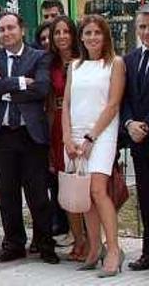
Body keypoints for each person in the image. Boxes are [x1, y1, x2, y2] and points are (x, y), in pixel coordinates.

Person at [0, 12, 59, 264]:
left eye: (10, 28)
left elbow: (42, 88)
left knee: (38, 195)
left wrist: (6, 86)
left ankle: (45, 244)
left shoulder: (39, 56)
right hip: (0, 136)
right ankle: (14, 244)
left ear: (21, 29)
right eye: (1, 30)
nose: (5, 33)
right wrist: (22, 82)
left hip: (30, 135)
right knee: (8, 194)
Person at [63, 14, 126, 277]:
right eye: (87, 33)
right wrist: (67, 137)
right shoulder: (74, 65)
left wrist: (91, 137)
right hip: (76, 134)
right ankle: (94, 247)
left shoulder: (115, 63)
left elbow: (113, 104)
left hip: (102, 134)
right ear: (81, 38)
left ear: (105, 36)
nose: (92, 37)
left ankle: (114, 250)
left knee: (99, 190)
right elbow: (65, 104)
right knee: (85, 193)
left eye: (97, 33)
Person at [123, 4, 149, 272]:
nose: (148, 31)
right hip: (139, 145)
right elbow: (123, 99)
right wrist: (129, 123)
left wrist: (147, 124)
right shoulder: (130, 59)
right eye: (143, 27)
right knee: (146, 200)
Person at [47, 16, 84, 260]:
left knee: (87, 186)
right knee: (66, 187)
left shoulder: (84, 62)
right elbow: (48, 104)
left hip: (80, 125)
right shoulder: (48, 64)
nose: (61, 36)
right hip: (57, 127)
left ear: (73, 35)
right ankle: (78, 239)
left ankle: (94, 239)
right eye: (57, 32)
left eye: (66, 31)